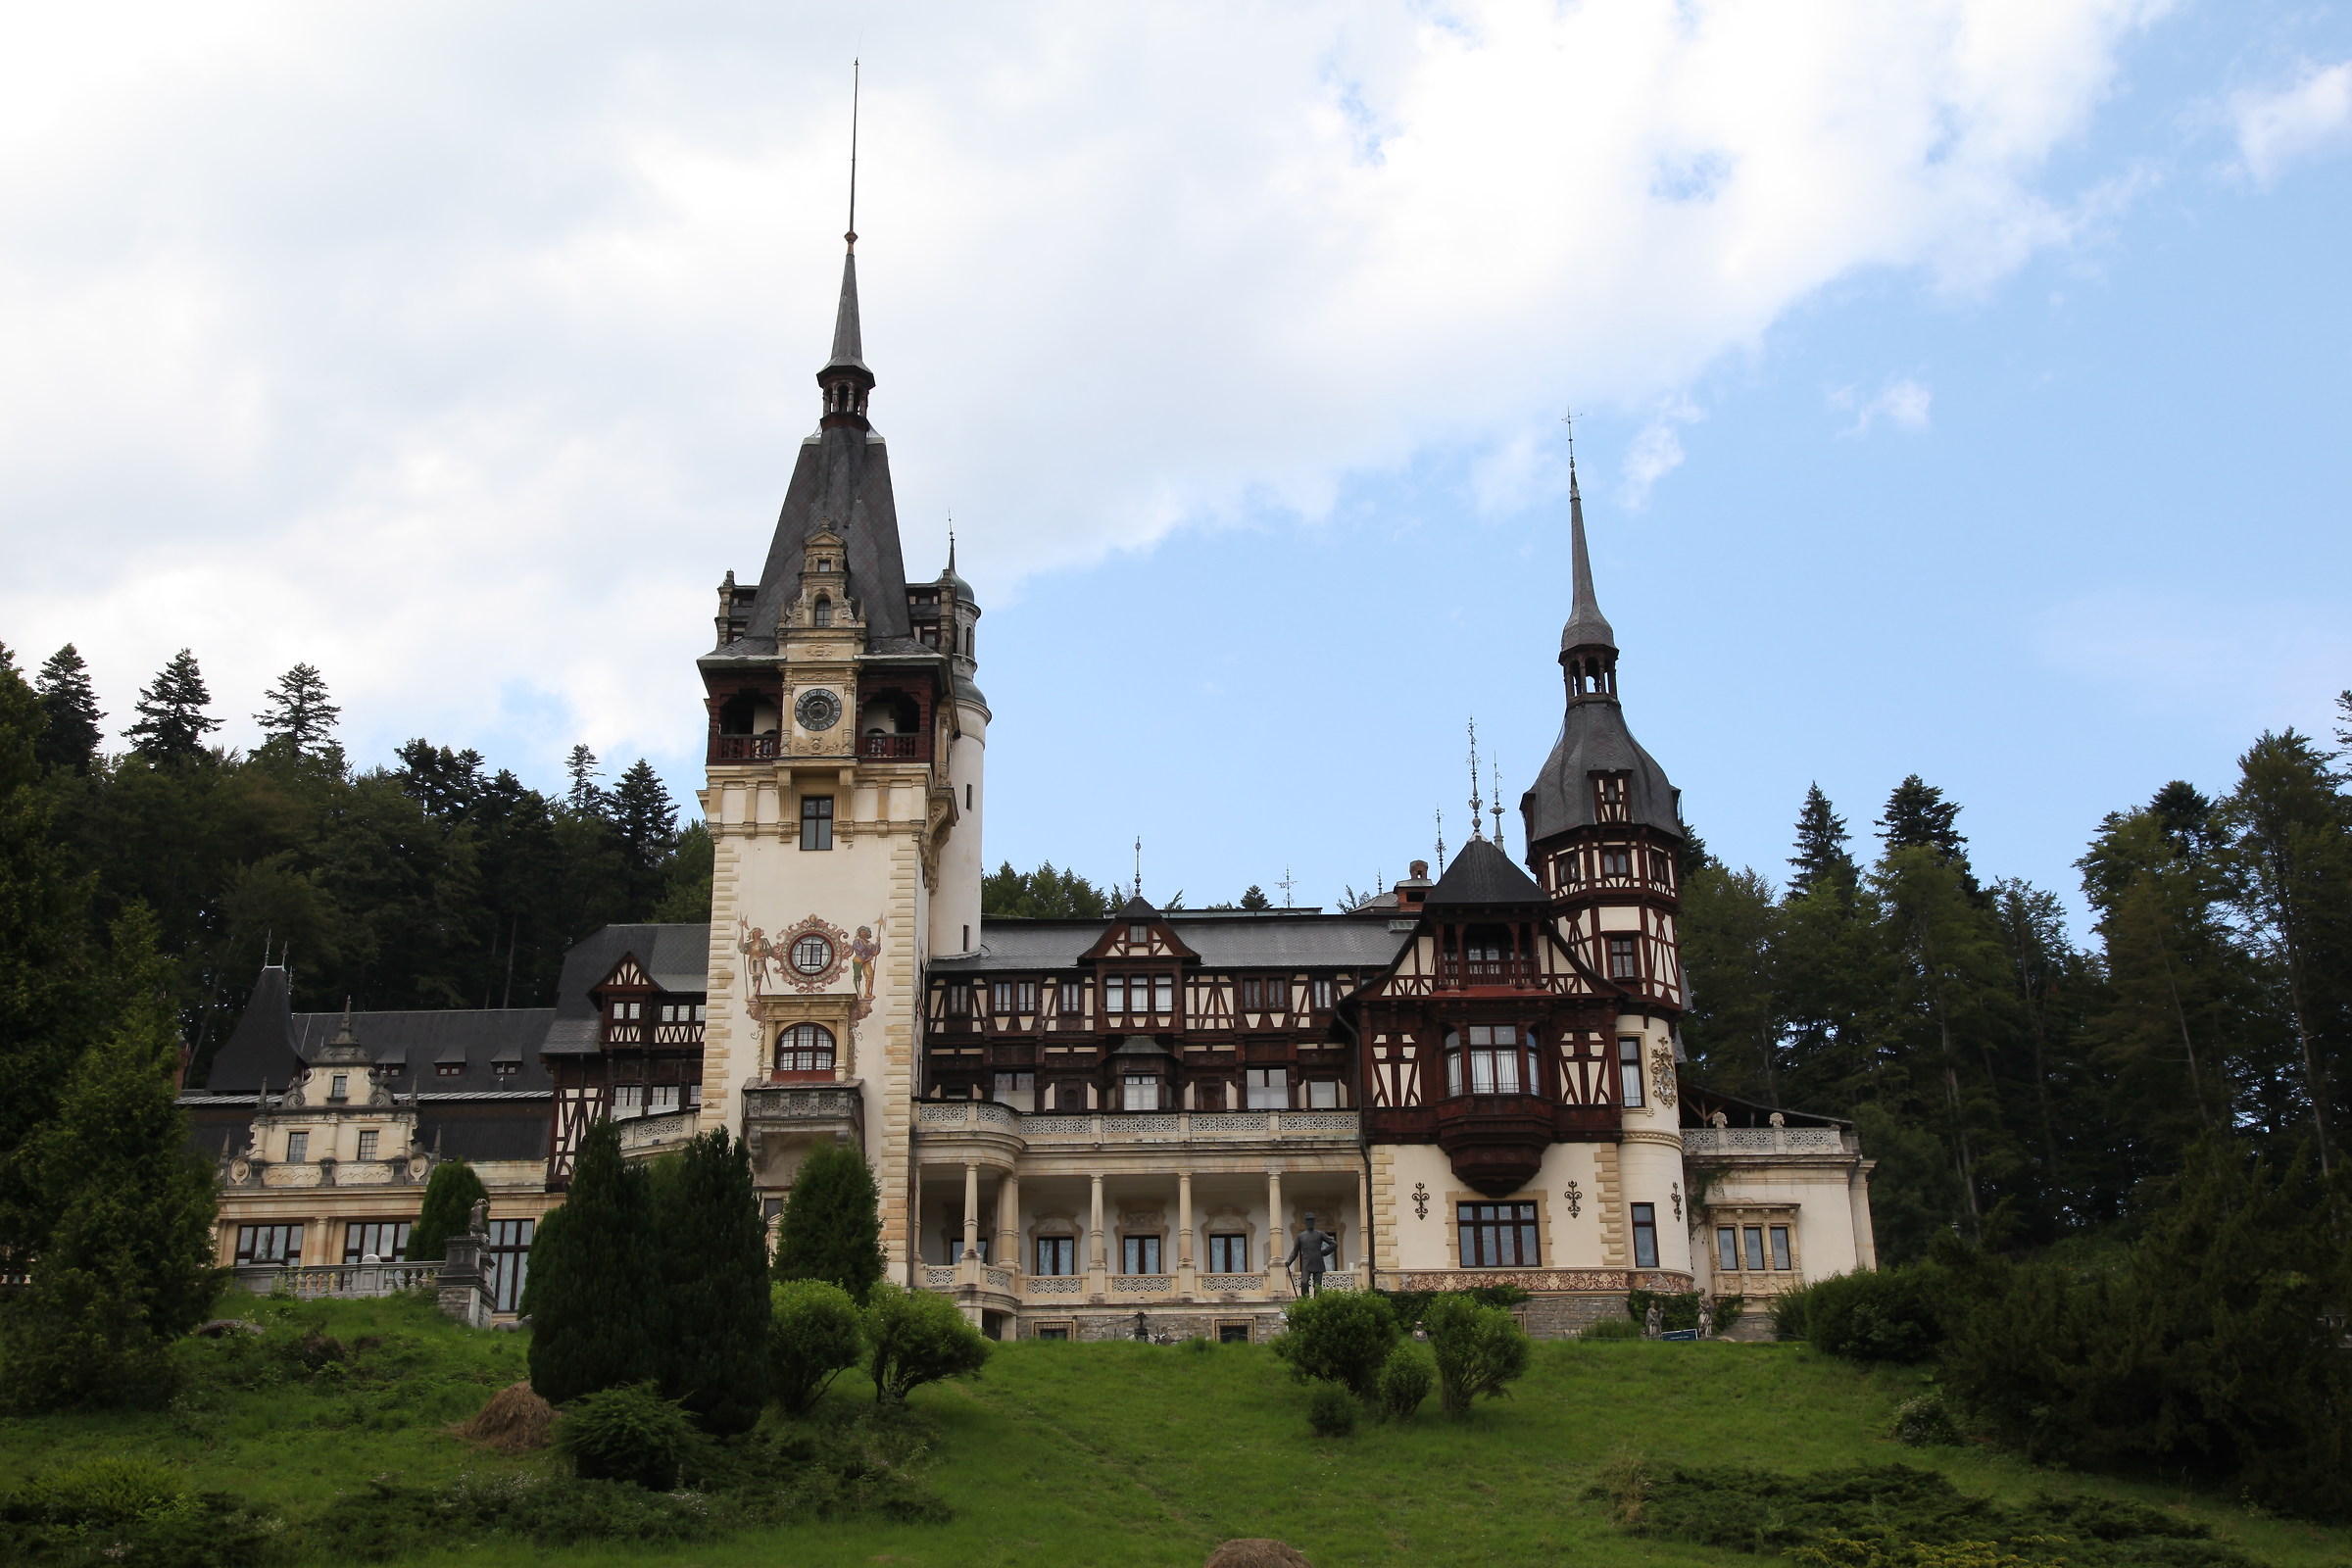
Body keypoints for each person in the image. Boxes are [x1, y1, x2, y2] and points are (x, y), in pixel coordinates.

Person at [1282, 1212, 1337, 1297]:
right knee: (1304, 1283)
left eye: (1312, 1221)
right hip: (1306, 1263)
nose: (1310, 1222)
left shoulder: (1320, 1234)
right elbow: (1295, 1251)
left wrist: (1324, 1252)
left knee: (1317, 1286)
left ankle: (1317, 1303)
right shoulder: (1301, 1236)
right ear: (1306, 1222)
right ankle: (1305, 1301)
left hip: (1318, 1261)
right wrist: (1289, 1261)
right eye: (1308, 1221)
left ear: (1314, 1222)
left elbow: (1334, 1244)